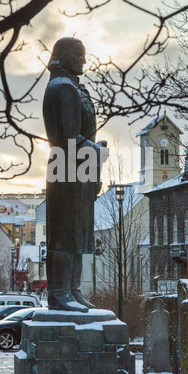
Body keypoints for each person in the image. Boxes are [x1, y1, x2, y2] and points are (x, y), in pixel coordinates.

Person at [43, 37, 108, 312]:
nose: (84, 61)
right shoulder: (64, 89)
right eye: (79, 55)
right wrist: (97, 150)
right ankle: (60, 294)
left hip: (77, 169)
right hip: (68, 169)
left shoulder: (71, 87)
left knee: (79, 235)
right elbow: (70, 138)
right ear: (66, 56)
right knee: (66, 236)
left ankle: (73, 290)